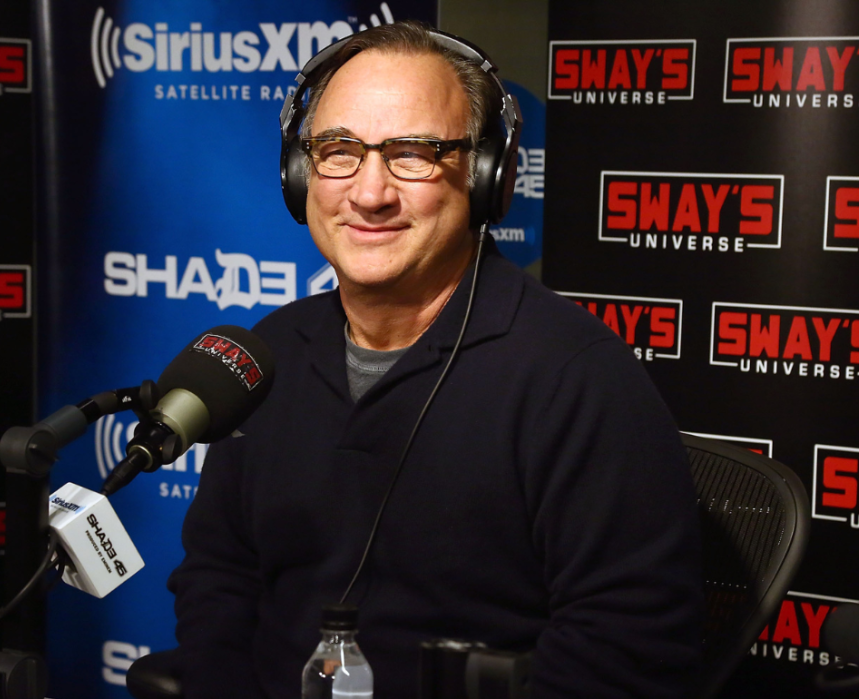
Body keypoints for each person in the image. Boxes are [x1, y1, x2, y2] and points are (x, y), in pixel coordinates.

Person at [168, 21, 703, 698]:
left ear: (487, 176)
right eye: (338, 150)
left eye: (413, 153)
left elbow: (626, 647)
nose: (369, 193)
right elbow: (219, 576)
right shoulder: (267, 353)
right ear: (299, 171)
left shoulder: (577, 377)